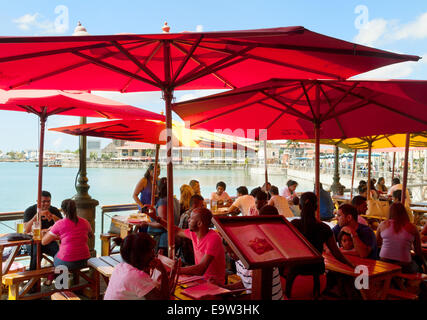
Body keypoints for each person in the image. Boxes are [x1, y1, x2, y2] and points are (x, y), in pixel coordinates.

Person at [286, 192, 354, 298]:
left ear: (299, 206)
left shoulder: (293, 225)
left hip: (296, 279)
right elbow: (336, 253)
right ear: (316, 207)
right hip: (318, 279)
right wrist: (352, 266)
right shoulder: (324, 228)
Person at [147, 207, 226, 285]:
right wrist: (157, 218)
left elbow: (201, 268)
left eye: (191, 219)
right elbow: (176, 230)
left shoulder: (213, 238)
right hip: (200, 279)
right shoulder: (194, 234)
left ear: (199, 223)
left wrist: (173, 270)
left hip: (215, 284)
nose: (188, 220)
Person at [104, 233, 170, 300]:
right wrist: (163, 272)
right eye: (151, 250)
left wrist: (146, 268)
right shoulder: (138, 277)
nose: (153, 254)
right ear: (141, 255)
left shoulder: (120, 267)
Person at [42, 199, 93, 271]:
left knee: (56, 258)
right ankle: (52, 280)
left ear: (62, 211)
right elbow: (91, 236)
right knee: (59, 257)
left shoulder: (59, 224)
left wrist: (49, 231)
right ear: (75, 209)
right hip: (85, 259)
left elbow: (44, 242)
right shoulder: (85, 222)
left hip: (67, 261)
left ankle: (58, 281)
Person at [377, 203, 427, 274]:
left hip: (385, 263)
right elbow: (418, 251)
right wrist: (424, 264)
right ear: (404, 212)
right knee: (419, 268)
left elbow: (377, 243)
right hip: (404, 265)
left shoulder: (383, 225)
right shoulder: (412, 227)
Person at [23, 191, 62, 273]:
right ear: (38, 201)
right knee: (36, 254)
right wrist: (37, 215)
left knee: (59, 253)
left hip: (48, 240)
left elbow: (63, 225)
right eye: (43, 201)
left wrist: (53, 217)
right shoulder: (30, 210)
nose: (46, 204)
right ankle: (33, 281)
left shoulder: (54, 210)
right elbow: (26, 230)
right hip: (32, 241)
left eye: (48, 201)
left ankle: (58, 279)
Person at [145, 177, 180, 255]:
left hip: (164, 240)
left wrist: (146, 223)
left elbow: (162, 223)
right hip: (175, 237)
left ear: (159, 187)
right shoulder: (176, 200)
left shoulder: (163, 202)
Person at [177, 194, 205, 266]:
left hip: (182, 251)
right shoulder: (193, 216)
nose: (202, 207)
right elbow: (189, 238)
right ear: (195, 204)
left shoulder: (184, 214)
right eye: (201, 205)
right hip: (189, 251)